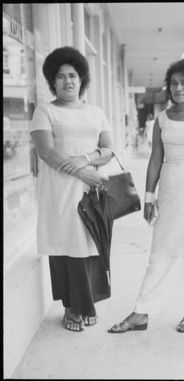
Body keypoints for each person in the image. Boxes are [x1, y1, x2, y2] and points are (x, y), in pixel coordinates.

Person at [108, 58, 184, 333]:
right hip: (171, 194)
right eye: (174, 83)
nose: (178, 87)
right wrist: (149, 197)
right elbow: (155, 160)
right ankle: (142, 312)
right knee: (160, 252)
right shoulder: (162, 120)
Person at [30, 46, 114, 332]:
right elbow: (47, 153)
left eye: (73, 75)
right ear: (52, 82)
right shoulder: (45, 110)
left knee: (89, 245)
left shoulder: (96, 112)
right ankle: (70, 308)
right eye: (61, 76)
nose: (68, 81)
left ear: (82, 79)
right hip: (60, 188)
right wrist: (82, 171)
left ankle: (87, 304)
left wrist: (86, 160)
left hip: (89, 190)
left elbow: (108, 150)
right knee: (66, 246)